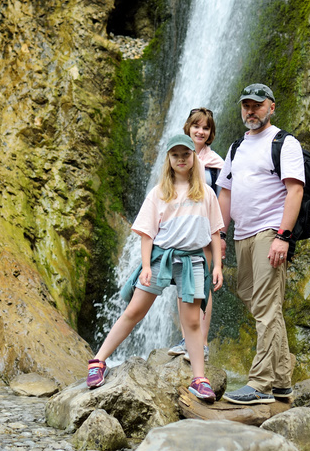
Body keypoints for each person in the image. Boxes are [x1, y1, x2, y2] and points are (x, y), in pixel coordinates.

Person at [87, 134, 224, 403]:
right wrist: (146, 266)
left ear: (194, 157)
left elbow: (216, 232)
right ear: (169, 160)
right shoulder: (159, 192)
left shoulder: (206, 193)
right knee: (135, 310)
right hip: (161, 257)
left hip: (193, 259)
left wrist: (217, 265)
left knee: (193, 321)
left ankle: (199, 378)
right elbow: (147, 234)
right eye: (175, 155)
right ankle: (98, 361)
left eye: (186, 154)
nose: (181, 159)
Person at [217, 83, 304, 405]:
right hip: (242, 234)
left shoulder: (285, 143)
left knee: (267, 307)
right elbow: (225, 192)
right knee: (252, 298)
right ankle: (282, 380)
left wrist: (283, 236)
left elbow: (294, 191)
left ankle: (260, 384)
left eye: (257, 105)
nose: (251, 111)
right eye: (246, 105)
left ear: (271, 107)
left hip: (270, 231)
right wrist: (221, 235)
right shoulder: (237, 146)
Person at [168, 108, 224, 361]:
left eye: (205, 128)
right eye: (196, 126)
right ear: (188, 128)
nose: (200, 131)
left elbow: (222, 204)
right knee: (182, 284)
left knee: (202, 285)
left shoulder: (216, 166)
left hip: (204, 234)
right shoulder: (178, 158)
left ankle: (201, 342)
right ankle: (185, 339)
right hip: (180, 232)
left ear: (210, 133)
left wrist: (221, 237)